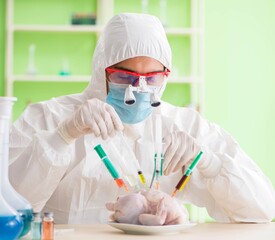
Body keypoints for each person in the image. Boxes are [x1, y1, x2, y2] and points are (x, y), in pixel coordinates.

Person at [9, 13, 275, 224]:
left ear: (165, 75)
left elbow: (263, 209)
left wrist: (210, 162)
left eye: (153, 78)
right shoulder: (49, 117)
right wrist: (62, 137)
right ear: (101, 70)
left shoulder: (184, 126)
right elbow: (8, 206)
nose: (139, 89)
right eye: (125, 76)